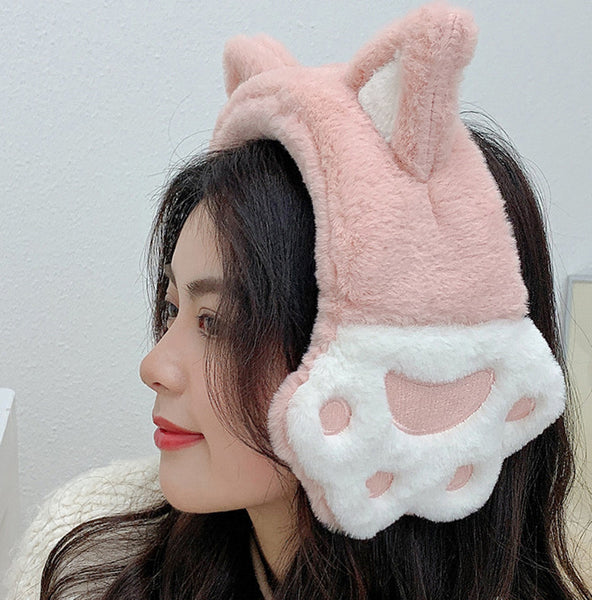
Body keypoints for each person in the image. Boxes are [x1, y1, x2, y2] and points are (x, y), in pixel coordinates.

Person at [6, 3, 591, 599]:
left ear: (424, 380)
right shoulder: (86, 559)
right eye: (174, 308)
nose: (154, 366)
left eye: (216, 322)